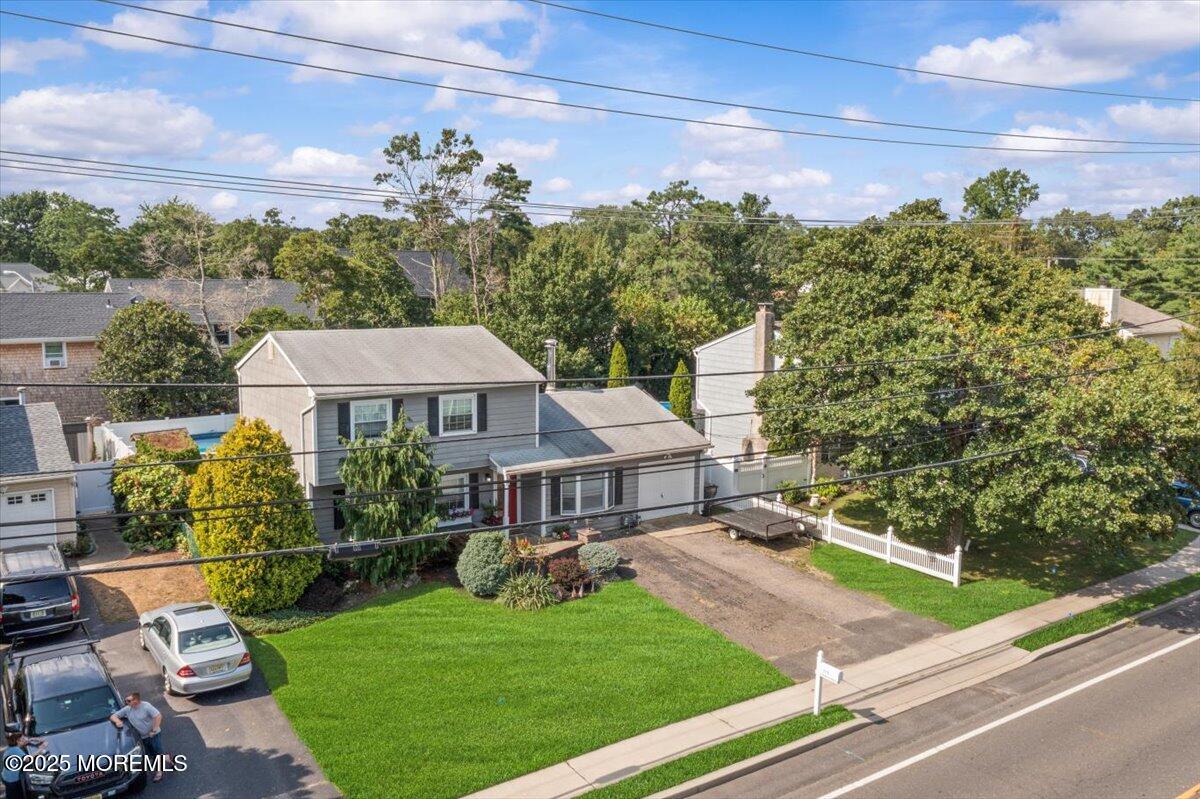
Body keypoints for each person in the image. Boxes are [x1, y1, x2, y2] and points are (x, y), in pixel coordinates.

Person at [109, 692, 168, 783]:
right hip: (142, 737)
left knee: (157, 752)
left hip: (154, 734)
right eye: (126, 701)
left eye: (128, 701)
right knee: (149, 754)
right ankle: (168, 758)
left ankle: (159, 773)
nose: (127, 702)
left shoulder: (146, 706)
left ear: (136, 700)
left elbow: (158, 716)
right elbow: (113, 716)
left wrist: (154, 729)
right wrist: (117, 721)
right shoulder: (127, 709)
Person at [3, 731, 29, 799]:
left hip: (6, 776)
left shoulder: (11, 746)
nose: (25, 739)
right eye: (23, 739)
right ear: (18, 741)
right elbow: (28, 759)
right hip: (12, 779)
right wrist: (40, 751)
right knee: (17, 796)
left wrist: (33, 739)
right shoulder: (16, 750)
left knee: (10, 794)